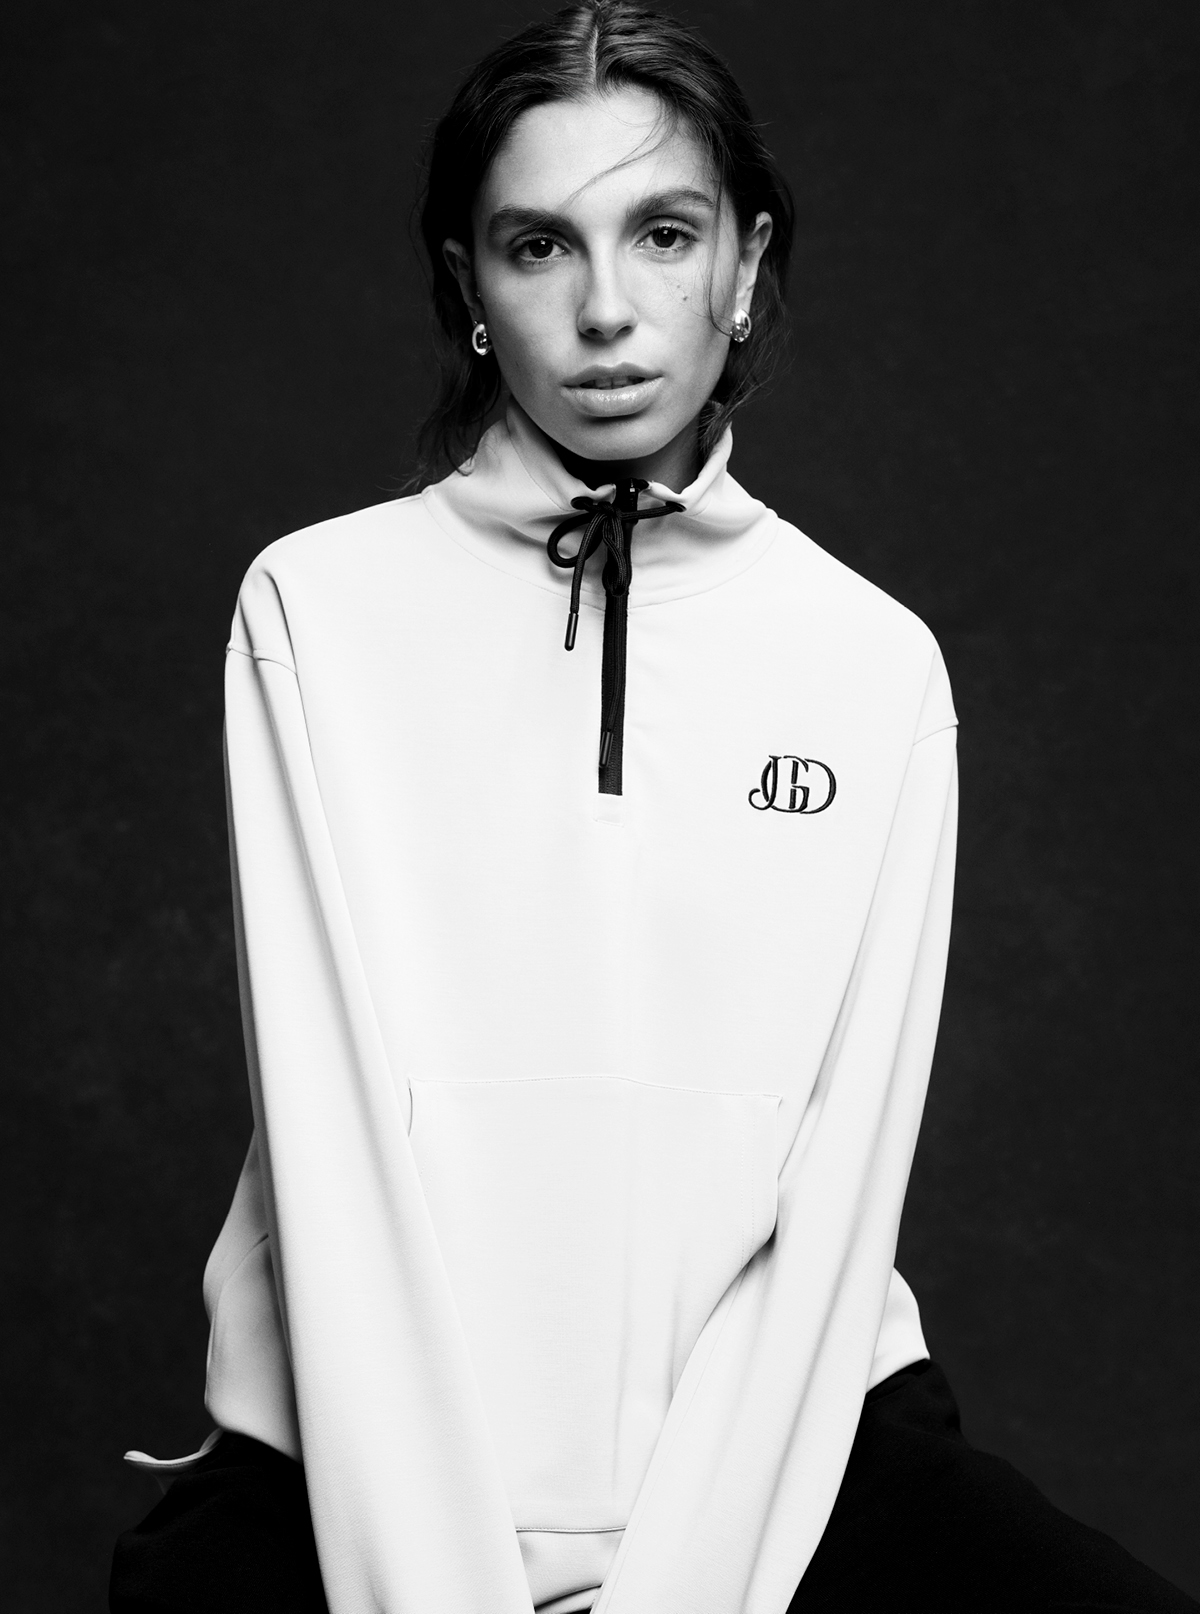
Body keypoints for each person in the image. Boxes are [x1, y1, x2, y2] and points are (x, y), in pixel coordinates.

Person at [109, 4, 1198, 1612]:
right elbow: (333, 1139)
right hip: (351, 1443)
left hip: (795, 1440)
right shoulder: (313, 613)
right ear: (468, 287)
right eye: (539, 244)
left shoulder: (874, 664)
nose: (606, 308)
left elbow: (841, 1177)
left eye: (665, 234)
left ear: (745, 267)